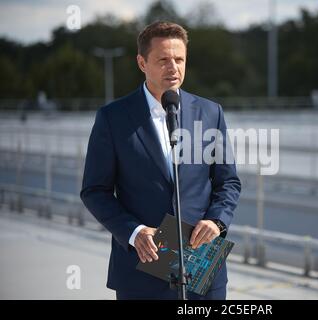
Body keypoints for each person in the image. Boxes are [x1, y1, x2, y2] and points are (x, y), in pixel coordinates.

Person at [80, 21, 241, 300]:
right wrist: (134, 232)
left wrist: (217, 221)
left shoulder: (210, 112)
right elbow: (95, 191)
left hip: (202, 267)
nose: (173, 68)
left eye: (179, 59)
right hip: (142, 270)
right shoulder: (112, 118)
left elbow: (228, 182)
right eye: (163, 60)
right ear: (142, 62)